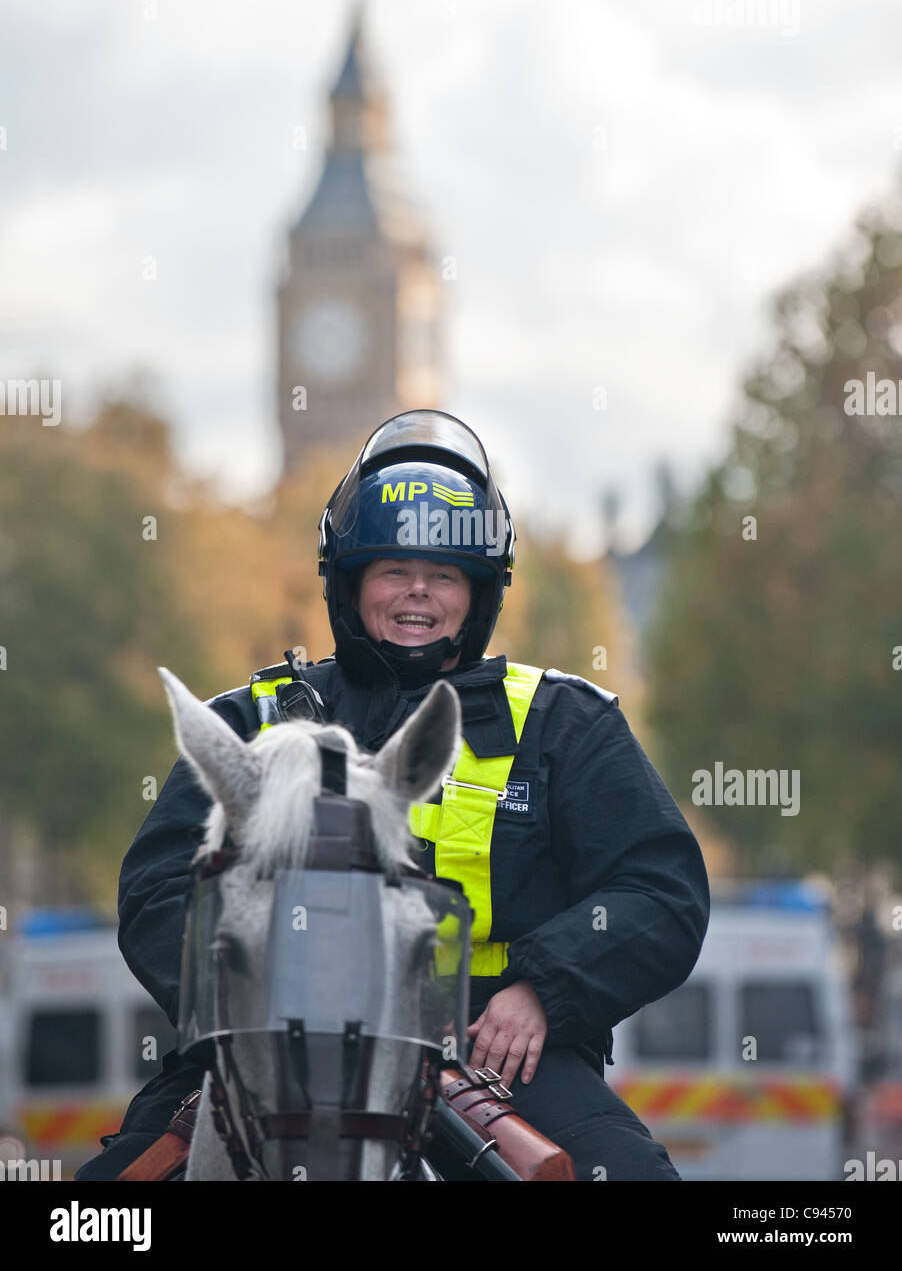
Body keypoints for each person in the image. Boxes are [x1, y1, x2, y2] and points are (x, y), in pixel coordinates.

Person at [75, 409, 709, 1182]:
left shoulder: (563, 725)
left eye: (443, 575)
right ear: (350, 584)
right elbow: (157, 889)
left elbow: (662, 890)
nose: (418, 593)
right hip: (267, 1045)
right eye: (392, 571)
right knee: (101, 1211)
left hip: (494, 1051)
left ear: (479, 595)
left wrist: (546, 988)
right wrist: (251, 1002)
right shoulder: (249, 720)